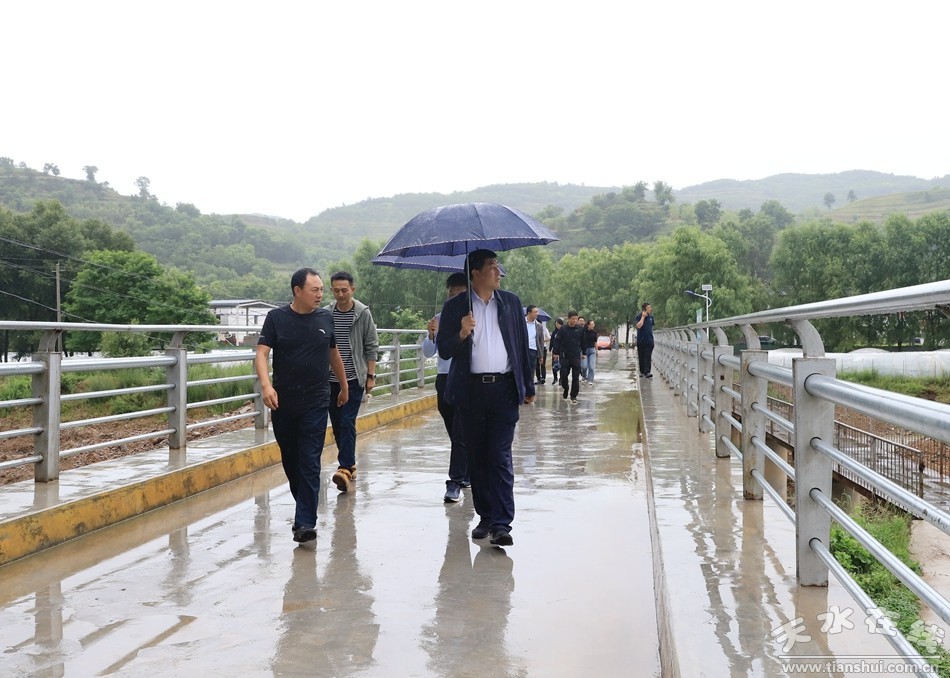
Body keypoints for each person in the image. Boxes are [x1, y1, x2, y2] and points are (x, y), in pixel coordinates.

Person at [437, 249, 535, 547]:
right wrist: (461, 333)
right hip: (470, 391)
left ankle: (502, 523)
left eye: (497, 266)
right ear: (476, 273)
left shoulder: (511, 302)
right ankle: (486, 517)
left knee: (500, 455)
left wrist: (528, 386)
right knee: (478, 457)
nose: (498, 271)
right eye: (492, 266)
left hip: (504, 389)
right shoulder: (456, 307)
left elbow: (521, 346)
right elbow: (444, 350)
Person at [255, 267, 349, 544]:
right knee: (291, 459)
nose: (320, 294)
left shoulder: (325, 318)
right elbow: (261, 354)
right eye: (314, 290)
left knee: (309, 460)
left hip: (316, 401)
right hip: (283, 402)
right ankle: (305, 507)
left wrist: (344, 385)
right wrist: (266, 386)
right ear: (297, 291)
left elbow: (333, 354)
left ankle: (305, 522)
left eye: (321, 290)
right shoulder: (276, 318)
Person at [325, 271, 379, 492]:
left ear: (352, 290)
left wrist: (371, 376)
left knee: (347, 421)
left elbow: (371, 345)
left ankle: (345, 467)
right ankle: (350, 464)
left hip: (354, 376)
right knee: (338, 424)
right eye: (336, 290)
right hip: (330, 379)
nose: (340, 294)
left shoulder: (362, 313)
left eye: (344, 290)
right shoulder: (326, 313)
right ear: (331, 290)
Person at [422, 273, 470, 503]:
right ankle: (466, 468)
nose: (455, 299)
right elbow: (428, 352)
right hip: (444, 378)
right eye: (451, 295)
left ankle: (456, 480)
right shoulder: (440, 318)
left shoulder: (474, 318)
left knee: (461, 430)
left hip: (466, 379)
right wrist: (431, 334)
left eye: (460, 295)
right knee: (454, 429)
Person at [551, 311, 583, 404]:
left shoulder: (580, 329)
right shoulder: (563, 329)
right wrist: (555, 352)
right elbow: (557, 341)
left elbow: (583, 341)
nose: (575, 320)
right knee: (563, 375)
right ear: (568, 319)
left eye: (576, 319)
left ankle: (573, 396)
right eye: (573, 319)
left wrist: (584, 352)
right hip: (565, 356)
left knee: (575, 377)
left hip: (576, 356)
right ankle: (566, 388)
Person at [524, 305, 544, 386]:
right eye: (535, 312)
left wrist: (541, 355)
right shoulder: (521, 323)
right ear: (529, 313)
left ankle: (529, 388)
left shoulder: (539, 326)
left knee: (531, 371)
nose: (537, 313)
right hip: (523, 350)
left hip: (533, 351)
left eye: (537, 312)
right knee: (522, 370)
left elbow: (541, 341)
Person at [635, 302, 655, 378]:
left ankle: (647, 372)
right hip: (641, 340)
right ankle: (642, 371)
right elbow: (638, 326)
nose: (650, 309)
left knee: (648, 356)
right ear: (644, 309)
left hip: (649, 340)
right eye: (648, 307)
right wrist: (643, 317)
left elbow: (651, 327)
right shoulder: (638, 316)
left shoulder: (651, 317)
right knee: (641, 356)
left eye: (650, 307)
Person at [583, 319, 598, 384]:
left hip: (592, 350)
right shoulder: (583, 332)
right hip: (584, 351)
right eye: (591, 324)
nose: (592, 325)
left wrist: (597, 350)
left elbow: (595, 342)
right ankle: (584, 376)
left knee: (591, 367)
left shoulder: (594, 333)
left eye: (593, 324)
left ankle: (590, 380)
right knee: (584, 366)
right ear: (588, 325)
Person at [536, 319, 551, 384]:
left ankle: (543, 378)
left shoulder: (544, 329)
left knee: (542, 363)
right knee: (536, 364)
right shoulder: (533, 329)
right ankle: (538, 378)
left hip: (543, 348)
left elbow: (549, 338)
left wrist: (542, 340)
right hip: (535, 348)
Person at [549, 317, 564, 384]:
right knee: (554, 365)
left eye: (558, 324)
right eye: (556, 324)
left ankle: (561, 379)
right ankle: (555, 378)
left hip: (562, 351)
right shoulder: (554, 333)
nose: (557, 325)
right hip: (555, 351)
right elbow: (552, 342)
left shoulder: (564, 332)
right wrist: (550, 349)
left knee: (561, 365)